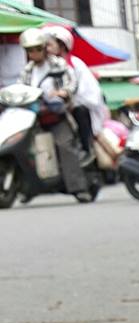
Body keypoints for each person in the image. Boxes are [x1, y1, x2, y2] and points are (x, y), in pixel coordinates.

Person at [18, 28, 89, 197]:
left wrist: (63, 93)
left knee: (65, 146)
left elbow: (71, 83)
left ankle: (79, 188)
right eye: (30, 50)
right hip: (33, 117)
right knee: (24, 149)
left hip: (56, 115)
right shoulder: (27, 71)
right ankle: (28, 188)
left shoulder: (58, 64)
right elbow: (21, 88)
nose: (34, 53)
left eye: (37, 48)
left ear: (43, 47)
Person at [43, 24, 107, 156]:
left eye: (49, 45)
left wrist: (68, 98)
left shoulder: (74, 64)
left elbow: (86, 92)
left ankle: (85, 149)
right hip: (52, 108)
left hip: (76, 107)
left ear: (61, 45)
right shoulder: (44, 65)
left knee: (79, 112)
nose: (46, 49)